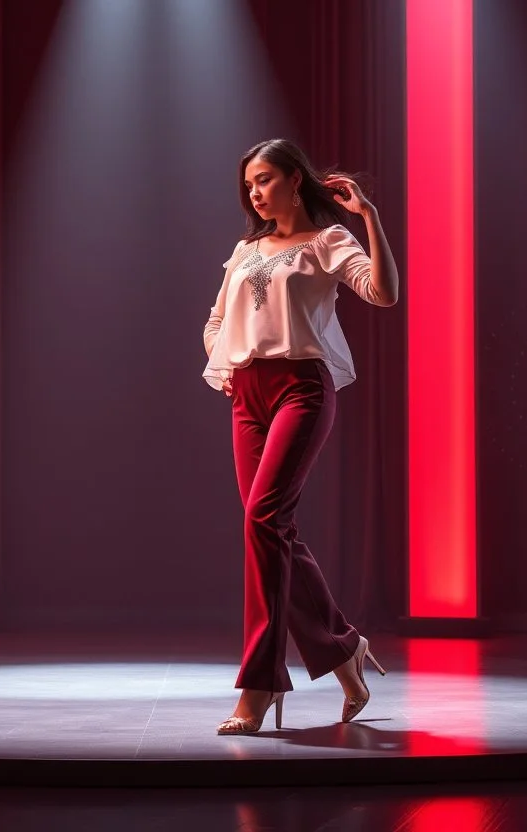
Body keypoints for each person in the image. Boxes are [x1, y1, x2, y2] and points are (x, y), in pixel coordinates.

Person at [203, 138, 398, 735]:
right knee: (272, 529)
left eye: (264, 180)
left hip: (301, 390)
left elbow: (383, 293)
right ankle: (344, 650)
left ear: (295, 179)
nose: (255, 193)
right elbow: (215, 322)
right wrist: (228, 362)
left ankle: (259, 685)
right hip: (248, 395)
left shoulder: (327, 241)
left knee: (263, 520)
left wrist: (369, 217)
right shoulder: (246, 249)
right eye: (249, 185)